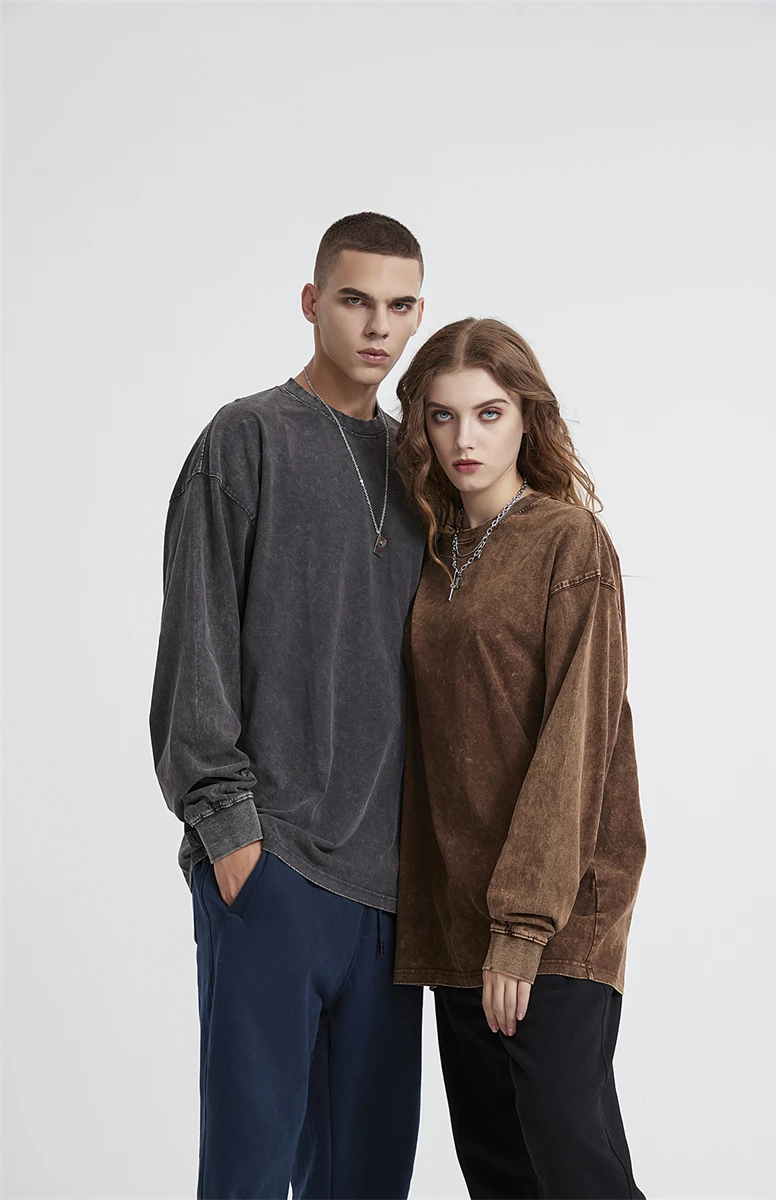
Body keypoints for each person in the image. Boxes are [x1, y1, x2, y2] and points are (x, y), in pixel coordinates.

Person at [149, 212, 427, 1200]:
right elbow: (196, 642)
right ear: (311, 302)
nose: (377, 326)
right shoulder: (248, 438)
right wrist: (231, 839)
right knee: (249, 1175)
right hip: (273, 870)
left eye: (399, 305)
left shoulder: (422, 468)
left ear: (418, 314)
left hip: (393, 897)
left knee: (367, 1178)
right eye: (354, 299)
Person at [392, 317, 648, 1200]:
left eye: (489, 413)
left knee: (574, 1164)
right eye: (443, 416)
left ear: (527, 418)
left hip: (556, 915)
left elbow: (577, 737)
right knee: (500, 1174)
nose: (464, 438)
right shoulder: (431, 553)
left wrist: (522, 928)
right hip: (455, 917)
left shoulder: (567, 542)